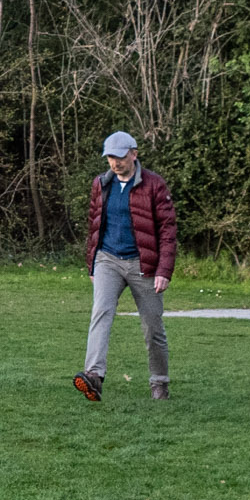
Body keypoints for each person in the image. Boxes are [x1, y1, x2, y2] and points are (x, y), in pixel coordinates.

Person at [77, 130, 176, 402]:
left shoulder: (154, 185)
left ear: (134, 153)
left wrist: (164, 271)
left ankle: (159, 382)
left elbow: (168, 230)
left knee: (152, 327)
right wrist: (92, 264)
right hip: (107, 259)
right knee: (100, 313)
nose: (115, 162)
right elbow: (94, 224)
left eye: (120, 157)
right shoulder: (101, 183)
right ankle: (94, 376)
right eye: (110, 157)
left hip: (143, 264)